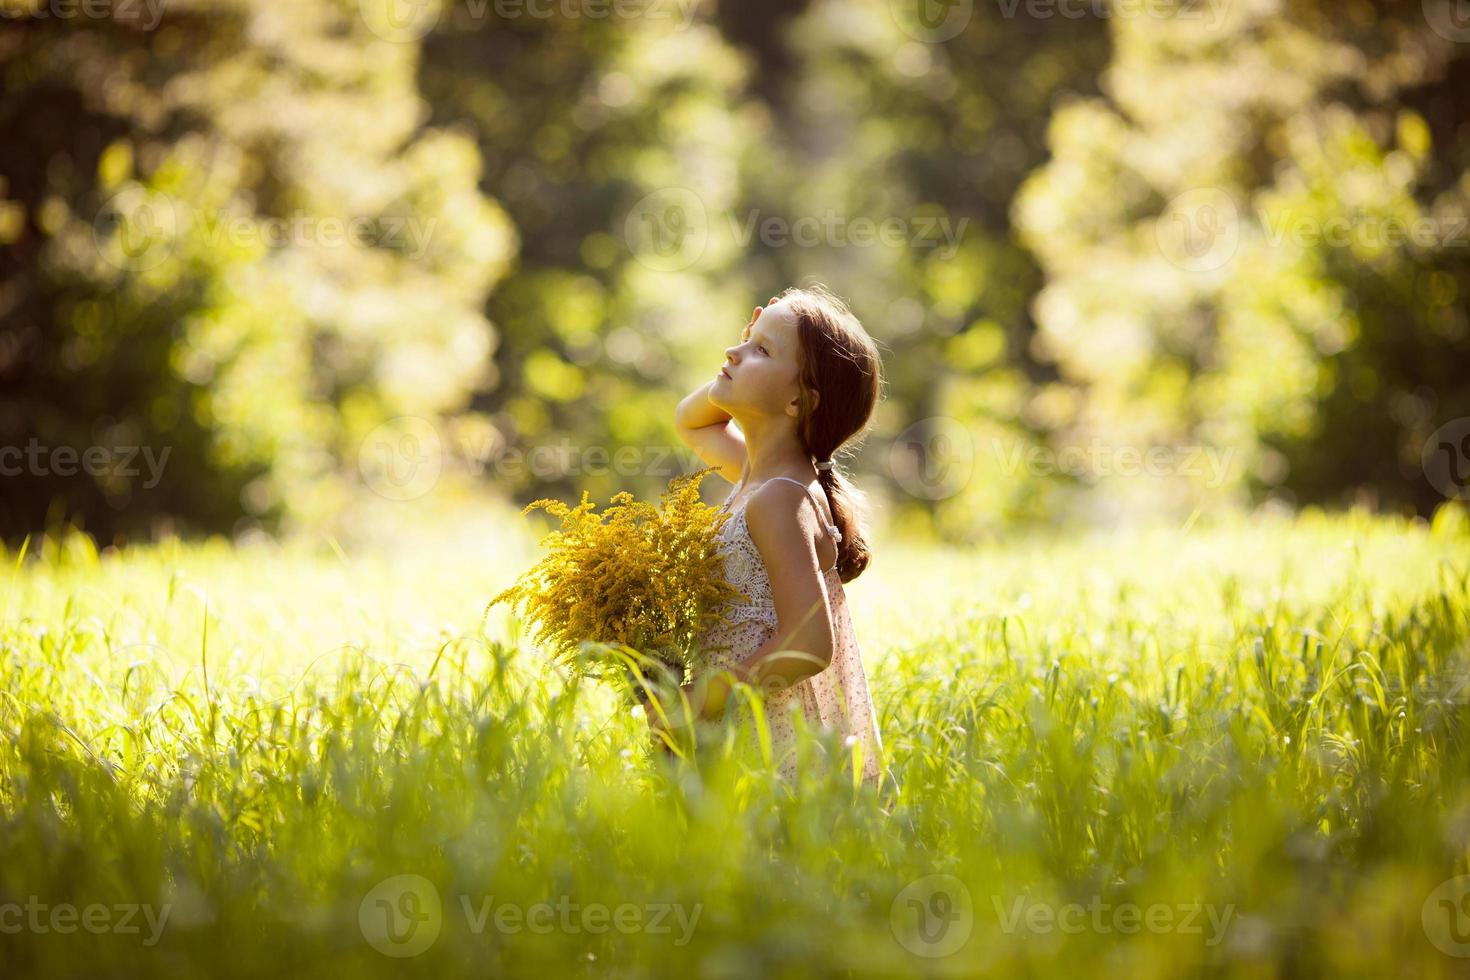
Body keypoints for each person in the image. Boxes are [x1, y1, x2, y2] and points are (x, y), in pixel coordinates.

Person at [646, 283, 888, 787]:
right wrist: (758, 343)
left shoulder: (781, 498)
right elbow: (691, 423)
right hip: (750, 719)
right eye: (744, 339)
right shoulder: (757, 476)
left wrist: (704, 699)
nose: (732, 352)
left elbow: (808, 643)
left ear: (799, 399)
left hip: (775, 737)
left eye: (760, 350)